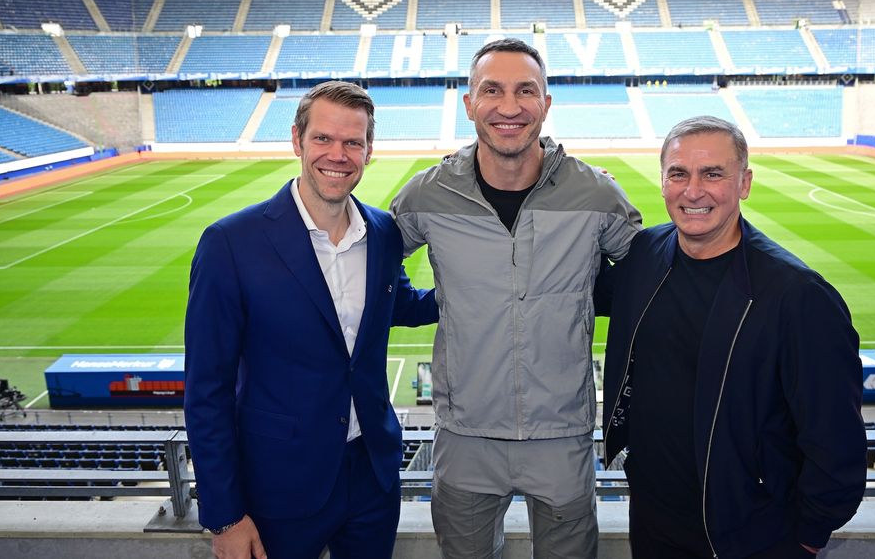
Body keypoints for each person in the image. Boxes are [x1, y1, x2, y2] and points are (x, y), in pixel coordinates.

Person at [390, 38, 641, 558]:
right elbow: (368, 264)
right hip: (465, 436)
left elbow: (650, 276)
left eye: (526, 90)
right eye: (492, 90)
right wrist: (433, 303)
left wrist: (580, 295)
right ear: (469, 104)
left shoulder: (595, 194)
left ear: (546, 103)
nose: (509, 107)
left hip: (562, 435)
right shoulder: (428, 194)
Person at [184, 81, 437, 559]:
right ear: (297, 141)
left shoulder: (382, 233)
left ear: (368, 151)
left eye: (352, 143)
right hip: (279, 483)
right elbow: (206, 391)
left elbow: (400, 304)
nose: (337, 155)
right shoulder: (230, 244)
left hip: (371, 477)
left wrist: (486, 287)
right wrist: (224, 516)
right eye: (323, 139)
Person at [599, 116, 867, 559]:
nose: (693, 190)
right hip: (653, 519)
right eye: (679, 173)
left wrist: (805, 537)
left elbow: (835, 438)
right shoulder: (644, 257)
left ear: (744, 183)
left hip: (752, 533)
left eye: (713, 174)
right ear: (662, 181)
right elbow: (564, 286)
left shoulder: (799, 296)